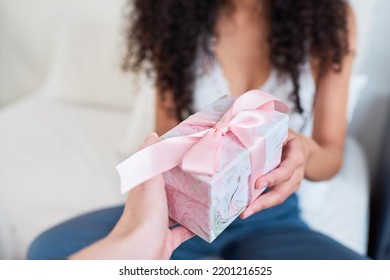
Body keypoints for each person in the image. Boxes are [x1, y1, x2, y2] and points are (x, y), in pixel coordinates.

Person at [28, 0, 367, 259]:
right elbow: (166, 136)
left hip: (270, 216)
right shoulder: (173, 13)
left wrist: (302, 151)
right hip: (181, 214)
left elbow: (331, 153)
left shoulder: (332, 19)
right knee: (48, 252)